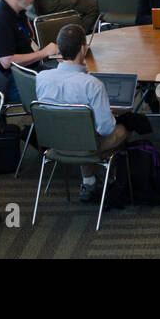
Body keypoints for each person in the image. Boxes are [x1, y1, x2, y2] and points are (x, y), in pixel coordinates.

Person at [33, 24, 129, 203]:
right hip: (85, 146)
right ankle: (114, 178)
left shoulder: (41, 78)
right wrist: (107, 113)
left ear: (59, 50)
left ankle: (89, 181)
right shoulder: (93, 85)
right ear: (83, 49)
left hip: (54, 144)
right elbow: (106, 129)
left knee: (80, 126)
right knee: (121, 130)